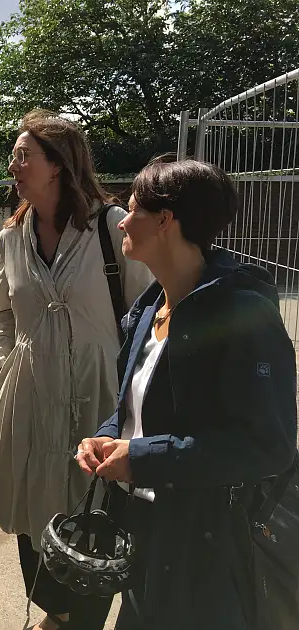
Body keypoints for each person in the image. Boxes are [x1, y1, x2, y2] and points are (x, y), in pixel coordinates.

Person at [76, 158, 297, 630]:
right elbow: (137, 412)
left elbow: (266, 446)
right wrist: (106, 436)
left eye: (132, 207)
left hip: (207, 551)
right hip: (143, 534)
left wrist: (143, 458)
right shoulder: (148, 307)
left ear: (165, 220)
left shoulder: (242, 315)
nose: (122, 218)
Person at [0, 110, 153, 630]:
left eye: (23, 154)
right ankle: (55, 613)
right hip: (29, 392)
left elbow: (148, 311)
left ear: (57, 163)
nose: (13, 165)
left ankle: (80, 618)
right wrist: (3, 362)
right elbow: (3, 313)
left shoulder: (109, 227)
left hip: (99, 391)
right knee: (32, 509)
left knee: (96, 507)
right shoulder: (12, 237)